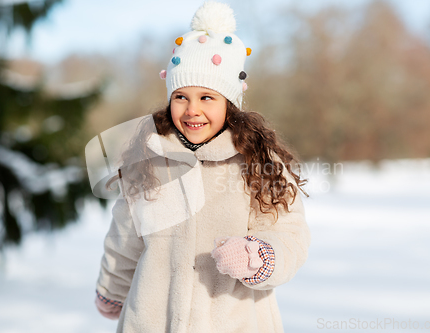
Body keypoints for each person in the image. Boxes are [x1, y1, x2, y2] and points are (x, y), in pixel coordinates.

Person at [93, 2, 311, 332]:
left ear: (229, 103)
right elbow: (124, 239)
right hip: (152, 321)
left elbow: (290, 235)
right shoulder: (149, 162)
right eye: (181, 96)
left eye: (207, 98)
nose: (192, 110)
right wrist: (112, 291)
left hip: (235, 321)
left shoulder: (257, 163)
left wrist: (259, 256)